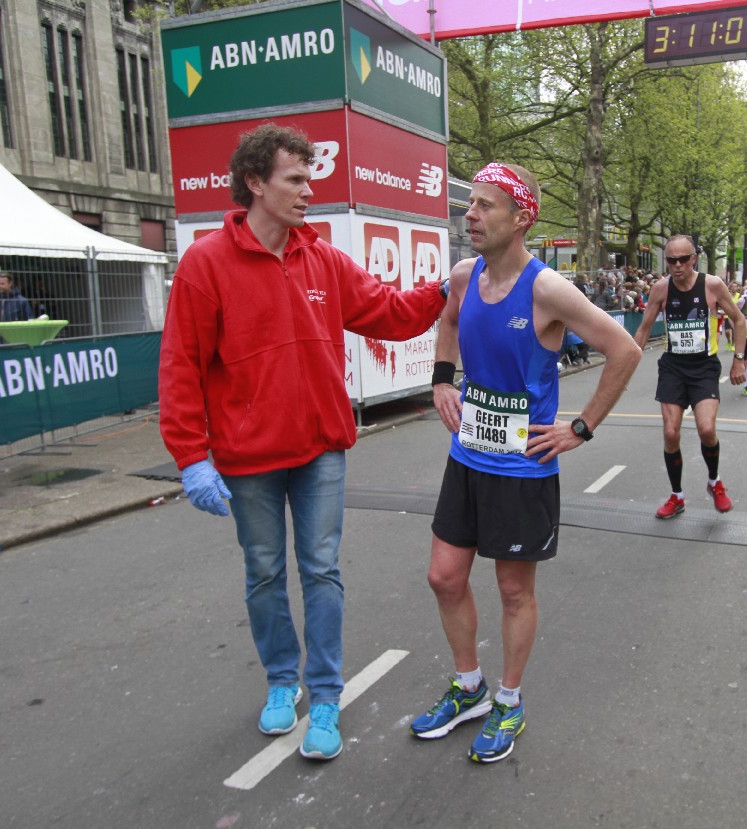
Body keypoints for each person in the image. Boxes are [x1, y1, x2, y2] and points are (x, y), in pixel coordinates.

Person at [158, 124, 446, 762]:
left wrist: (442, 292)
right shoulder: (206, 263)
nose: (308, 191)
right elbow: (180, 366)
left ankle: (325, 697)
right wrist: (191, 457)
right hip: (247, 459)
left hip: (320, 450)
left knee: (321, 570)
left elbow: (390, 313)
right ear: (255, 183)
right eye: (295, 179)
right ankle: (281, 681)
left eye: (309, 178)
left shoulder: (323, 259)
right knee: (263, 573)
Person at [413, 162, 640, 763]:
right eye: (470, 203)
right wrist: (442, 379)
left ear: (521, 219)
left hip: (522, 466)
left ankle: (509, 701)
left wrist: (581, 427)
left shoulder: (547, 290)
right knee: (443, 576)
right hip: (468, 454)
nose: (470, 214)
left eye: (485, 205)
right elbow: (448, 319)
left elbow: (624, 349)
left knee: (514, 591)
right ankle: (470, 688)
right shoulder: (464, 276)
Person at [633, 235, 747, 518]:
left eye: (683, 259)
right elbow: (644, 329)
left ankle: (715, 482)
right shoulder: (661, 289)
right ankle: (677, 496)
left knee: (706, 429)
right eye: (671, 260)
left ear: (694, 258)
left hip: (704, 367)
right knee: (671, 433)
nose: (677, 265)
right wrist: (625, 367)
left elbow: (739, 320)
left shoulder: (712, 285)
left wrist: (739, 360)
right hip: (673, 367)